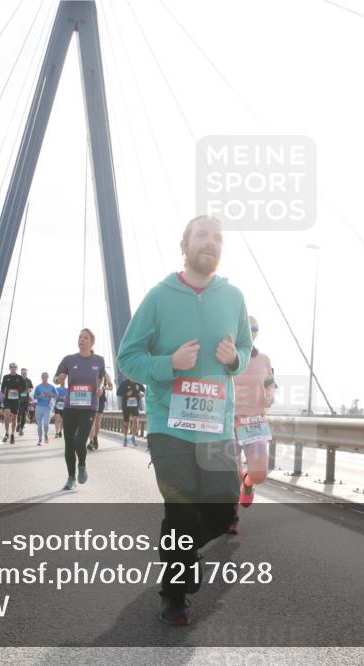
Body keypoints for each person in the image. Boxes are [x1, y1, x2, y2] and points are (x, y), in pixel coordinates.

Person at [117, 215, 252, 626]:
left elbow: (245, 347)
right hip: (169, 424)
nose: (209, 242)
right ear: (185, 244)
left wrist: (235, 360)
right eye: (202, 235)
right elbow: (128, 358)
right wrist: (168, 364)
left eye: (217, 237)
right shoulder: (159, 296)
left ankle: (180, 557)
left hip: (215, 424)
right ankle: (174, 596)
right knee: (180, 509)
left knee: (221, 507)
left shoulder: (234, 297)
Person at [231, 315, 276, 529]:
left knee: (258, 474)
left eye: (253, 329)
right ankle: (232, 519)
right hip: (227, 421)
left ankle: (248, 484)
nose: (250, 333)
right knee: (230, 474)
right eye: (246, 329)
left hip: (254, 421)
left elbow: (271, 382)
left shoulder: (264, 359)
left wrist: (270, 395)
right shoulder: (224, 357)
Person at [55, 329, 107, 490]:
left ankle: (82, 465)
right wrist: (60, 378)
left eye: (85, 338)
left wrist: (101, 387)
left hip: (89, 407)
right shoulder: (69, 360)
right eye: (80, 337)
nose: (81, 340)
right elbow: (56, 379)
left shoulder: (99, 360)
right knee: (69, 444)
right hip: (71, 407)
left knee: (79, 441)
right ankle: (71, 478)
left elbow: (102, 377)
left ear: (92, 342)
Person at [0, 362, 26, 443]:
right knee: (6, 415)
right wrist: (3, 393)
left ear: (16, 369)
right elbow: (3, 386)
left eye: (14, 367)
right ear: (10, 368)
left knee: (14, 418)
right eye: (11, 367)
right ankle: (6, 433)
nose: (13, 368)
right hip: (7, 399)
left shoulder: (20, 378)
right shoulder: (6, 377)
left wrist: (18, 391)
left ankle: (12, 434)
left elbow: (24, 388)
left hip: (16, 400)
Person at [87, 374, 113, 450]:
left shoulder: (105, 374)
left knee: (97, 422)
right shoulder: (90, 370)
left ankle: (95, 438)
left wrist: (103, 387)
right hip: (91, 397)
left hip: (101, 399)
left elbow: (111, 387)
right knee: (92, 421)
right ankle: (91, 441)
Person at [117, 377, 145, 447]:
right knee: (126, 423)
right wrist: (126, 394)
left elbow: (144, 391)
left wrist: (142, 394)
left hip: (135, 406)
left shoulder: (138, 383)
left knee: (135, 420)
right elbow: (118, 393)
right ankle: (125, 438)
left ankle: (133, 437)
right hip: (126, 406)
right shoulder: (124, 383)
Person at [32, 372, 58, 445]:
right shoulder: (38, 387)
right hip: (39, 407)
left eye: (46, 377)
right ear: (42, 377)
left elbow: (57, 395)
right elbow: (34, 396)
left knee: (46, 424)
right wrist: (39, 396)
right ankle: (40, 439)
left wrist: (51, 394)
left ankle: (46, 434)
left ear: (48, 378)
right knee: (39, 425)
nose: (45, 378)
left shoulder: (51, 387)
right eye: (44, 377)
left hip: (47, 408)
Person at [17, 367, 33, 436]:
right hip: (18, 399)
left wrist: (29, 390)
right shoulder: (18, 380)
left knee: (24, 414)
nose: (24, 374)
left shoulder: (29, 381)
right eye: (23, 373)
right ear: (21, 373)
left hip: (25, 400)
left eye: (25, 373)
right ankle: (18, 423)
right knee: (19, 413)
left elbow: (31, 387)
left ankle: (21, 429)